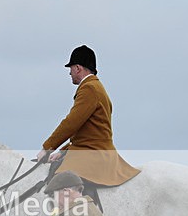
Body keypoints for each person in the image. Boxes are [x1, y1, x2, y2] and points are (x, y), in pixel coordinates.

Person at [36, 45, 140, 199]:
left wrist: (47, 147)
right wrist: (64, 151)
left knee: (60, 180)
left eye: (70, 68)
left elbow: (71, 123)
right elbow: (85, 132)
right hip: (89, 149)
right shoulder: (95, 87)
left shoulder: (89, 88)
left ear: (78, 68)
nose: (69, 73)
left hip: (94, 153)